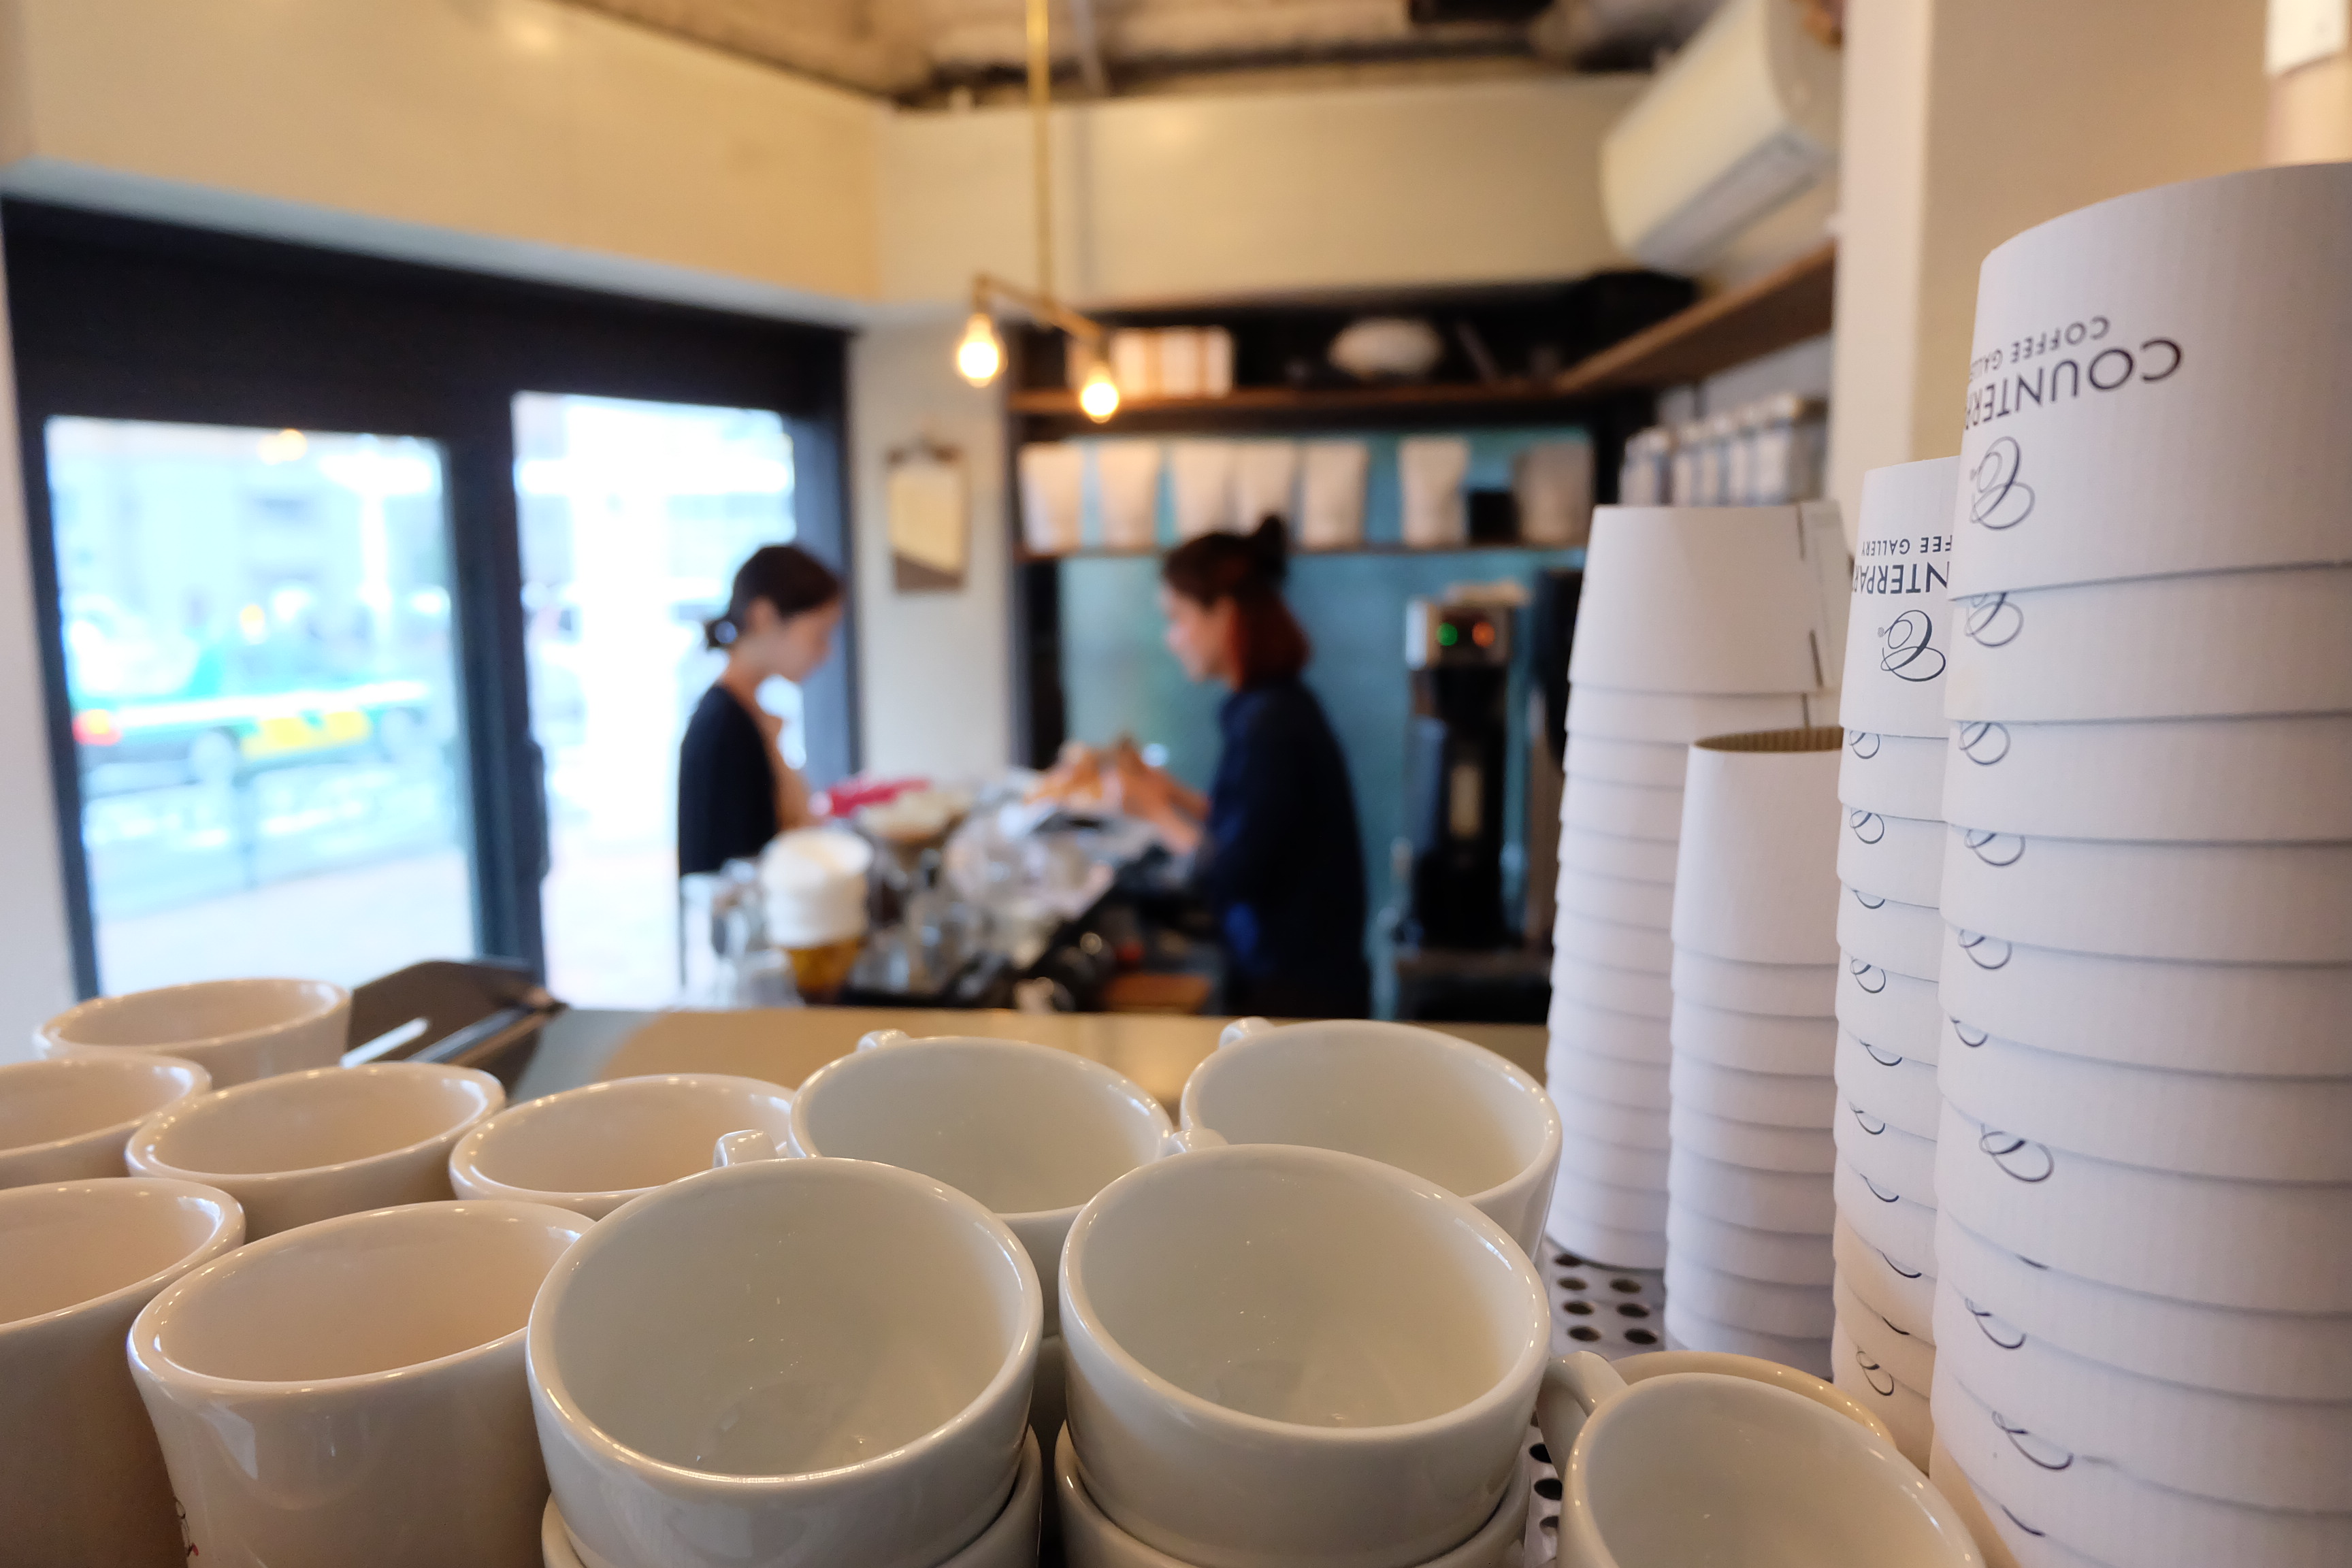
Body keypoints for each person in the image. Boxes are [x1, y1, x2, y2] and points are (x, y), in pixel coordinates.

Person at [1114, 519, 1371, 1018]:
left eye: (1179, 618)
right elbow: (1260, 824)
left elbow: (1233, 873)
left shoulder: (1269, 723)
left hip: (1298, 993)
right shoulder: (1273, 706)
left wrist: (1154, 814)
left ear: (1224, 615)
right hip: (1304, 976)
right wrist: (1174, 796)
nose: (1172, 639)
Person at [677, 544, 843, 877]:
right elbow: (739, 867)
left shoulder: (745, 714)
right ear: (765, 616)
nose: (825, 652)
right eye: (819, 635)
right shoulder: (726, 726)